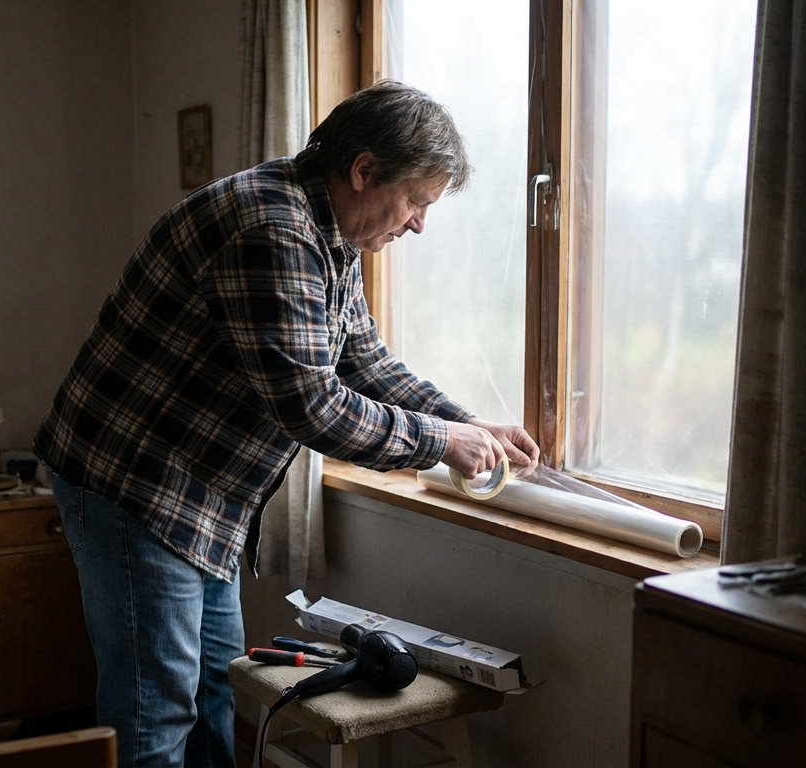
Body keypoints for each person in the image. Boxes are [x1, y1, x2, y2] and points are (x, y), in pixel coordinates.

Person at [33, 80, 539, 768]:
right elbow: (315, 406)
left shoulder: (331, 230)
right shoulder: (272, 230)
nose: (420, 222)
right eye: (418, 201)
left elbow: (362, 359)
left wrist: (465, 421)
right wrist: (442, 444)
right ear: (364, 172)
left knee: (215, 691)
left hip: (199, 494)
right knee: (156, 715)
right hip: (136, 484)